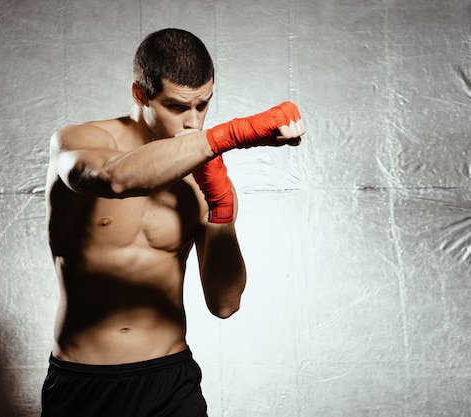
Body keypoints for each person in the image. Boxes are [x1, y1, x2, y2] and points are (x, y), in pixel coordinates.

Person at [42, 28, 305, 417]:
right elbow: (114, 179)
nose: (193, 123)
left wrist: (222, 211)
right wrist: (231, 135)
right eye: (178, 107)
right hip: (85, 382)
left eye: (203, 106)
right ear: (140, 94)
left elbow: (225, 303)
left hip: (170, 380)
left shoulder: (203, 173)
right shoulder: (79, 140)